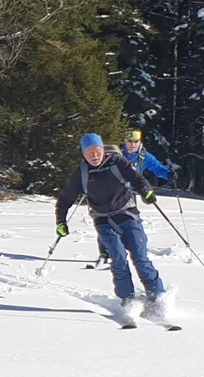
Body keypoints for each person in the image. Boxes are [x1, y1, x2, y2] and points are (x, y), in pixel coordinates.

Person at [55, 132, 171, 321]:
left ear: (103, 149)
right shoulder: (81, 173)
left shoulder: (117, 162)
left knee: (140, 257)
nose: (94, 155)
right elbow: (65, 199)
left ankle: (158, 297)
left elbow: (137, 179)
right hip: (103, 221)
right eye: (89, 152)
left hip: (127, 214)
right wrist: (61, 221)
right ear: (83, 154)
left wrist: (146, 191)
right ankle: (128, 301)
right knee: (118, 259)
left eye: (97, 150)